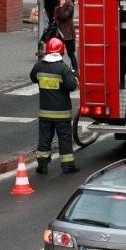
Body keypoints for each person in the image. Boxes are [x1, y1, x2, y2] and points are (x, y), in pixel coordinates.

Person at [30, 37, 79, 175]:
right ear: (61, 51)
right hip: (62, 113)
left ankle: (42, 166)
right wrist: (75, 76)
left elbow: (33, 78)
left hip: (45, 112)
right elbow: (72, 86)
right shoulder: (63, 68)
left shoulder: (39, 66)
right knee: (64, 139)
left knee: (45, 138)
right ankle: (67, 166)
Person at [54, 0, 78, 74]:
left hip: (68, 33)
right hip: (60, 32)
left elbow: (64, 16)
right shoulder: (59, 5)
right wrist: (60, 7)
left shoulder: (69, 5)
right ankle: (61, 69)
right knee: (58, 53)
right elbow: (56, 17)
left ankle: (76, 71)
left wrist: (61, 7)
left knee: (70, 53)